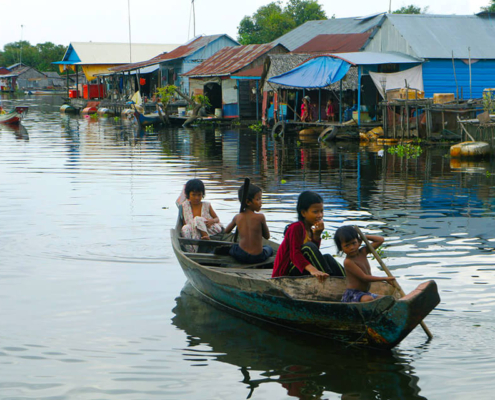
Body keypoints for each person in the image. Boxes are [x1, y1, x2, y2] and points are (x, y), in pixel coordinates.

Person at [272, 191, 344, 281]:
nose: (320, 215)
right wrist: (313, 270)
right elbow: (295, 255)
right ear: (303, 213)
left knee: (327, 257)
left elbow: (314, 255)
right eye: (315, 212)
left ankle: (347, 278)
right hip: (284, 274)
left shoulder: (310, 230)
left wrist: (317, 235)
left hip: (300, 269)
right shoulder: (296, 227)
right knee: (308, 247)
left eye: (321, 211)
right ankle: (330, 278)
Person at [334, 226, 395, 302]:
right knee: (368, 299)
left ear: (359, 242)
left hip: (365, 293)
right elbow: (364, 277)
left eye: (354, 243)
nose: (352, 247)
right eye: (347, 245)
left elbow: (380, 240)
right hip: (353, 294)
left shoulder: (363, 252)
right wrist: (385, 279)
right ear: (341, 248)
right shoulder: (348, 262)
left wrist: (363, 237)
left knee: (387, 299)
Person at [225, 183, 273, 264]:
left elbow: (227, 231)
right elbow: (267, 236)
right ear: (248, 202)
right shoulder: (261, 217)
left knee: (234, 247)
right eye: (258, 199)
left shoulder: (237, 217)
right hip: (258, 257)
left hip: (241, 255)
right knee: (269, 248)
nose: (261, 202)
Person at [180, 179, 223, 252]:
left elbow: (217, 218)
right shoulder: (185, 206)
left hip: (210, 228)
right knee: (185, 228)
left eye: (199, 195)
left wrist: (212, 221)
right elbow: (185, 223)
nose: (197, 198)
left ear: (202, 194)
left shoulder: (207, 205)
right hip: (194, 231)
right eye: (193, 195)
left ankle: (206, 239)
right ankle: (192, 251)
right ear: (188, 195)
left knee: (197, 219)